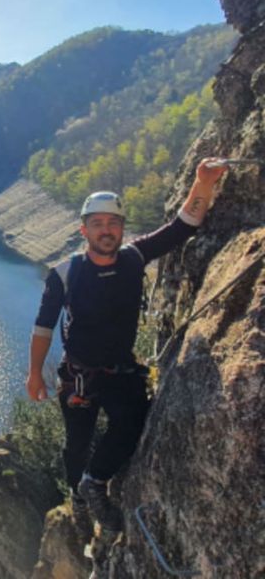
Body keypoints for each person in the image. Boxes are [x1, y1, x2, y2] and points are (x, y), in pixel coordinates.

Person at [25, 158, 227, 540]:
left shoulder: (134, 258)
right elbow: (43, 326)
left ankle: (94, 483)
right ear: (84, 230)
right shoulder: (65, 274)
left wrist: (202, 183)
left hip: (119, 369)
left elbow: (182, 226)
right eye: (98, 224)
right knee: (77, 444)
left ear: (121, 228)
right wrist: (35, 373)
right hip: (80, 376)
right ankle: (80, 501)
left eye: (113, 223)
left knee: (133, 422)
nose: (107, 230)